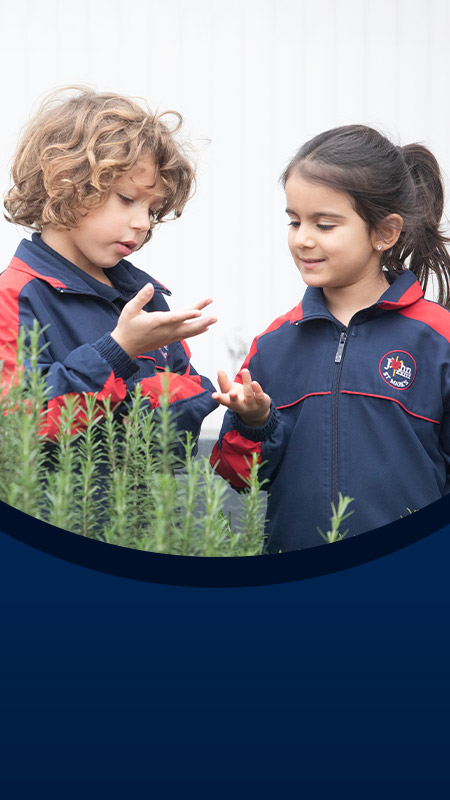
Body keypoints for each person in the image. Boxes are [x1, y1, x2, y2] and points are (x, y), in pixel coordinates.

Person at [211, 124, 450, 552]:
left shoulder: (439, 339)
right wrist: (253, 423)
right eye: (294, 221)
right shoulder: (274, 345)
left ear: (385, 233)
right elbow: (239, 477)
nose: (303, 239)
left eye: (324, 224)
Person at [0, 86, 218, 450]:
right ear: (63, 182)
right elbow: (18, 428)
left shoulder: (146, 298)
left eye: (151, 210)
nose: (143, 223)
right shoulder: (15, 297)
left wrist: (248, 416)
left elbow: (177, 444)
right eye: (127, 199)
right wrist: (119, 352)